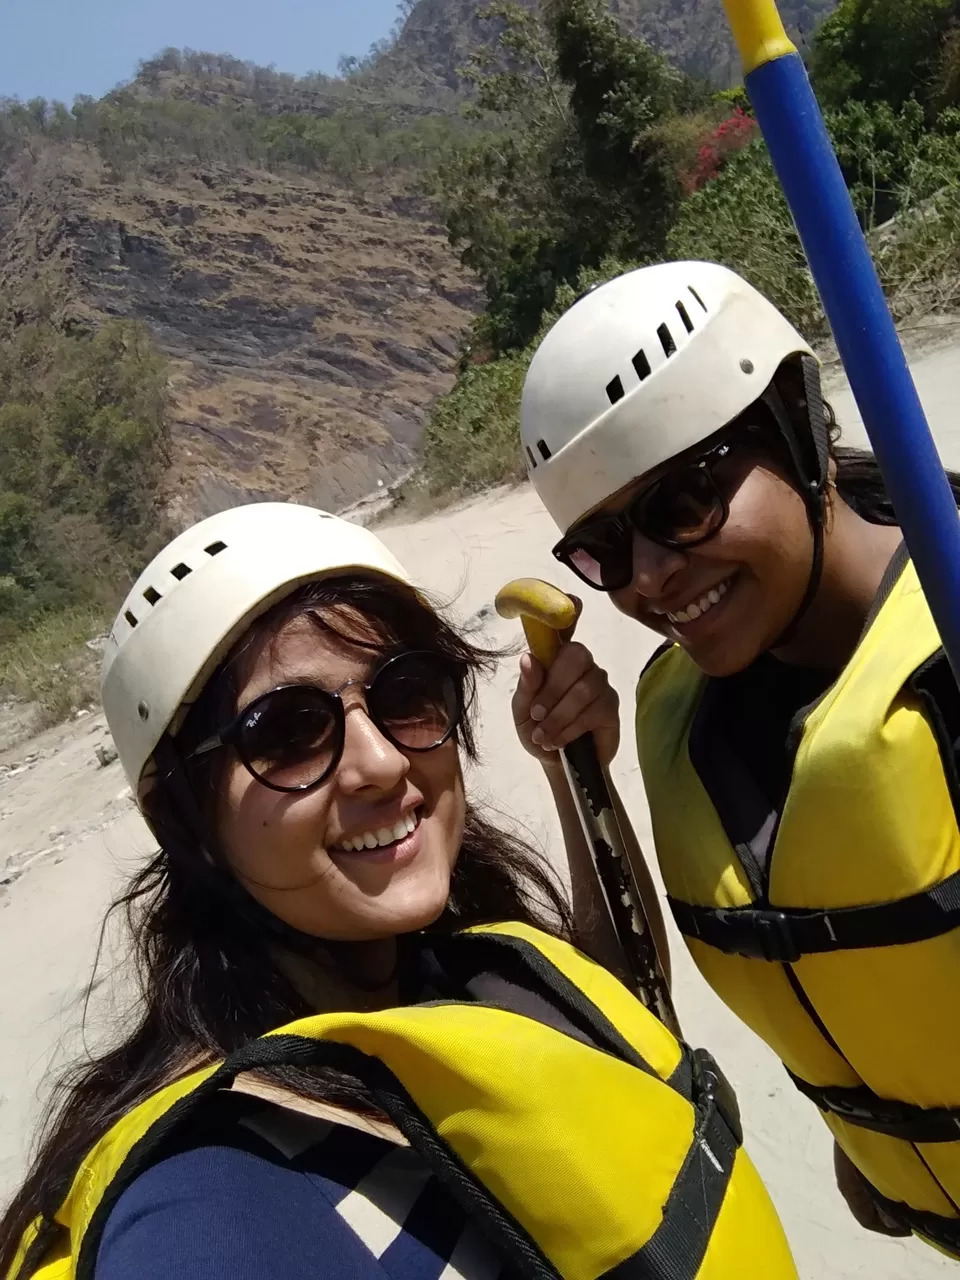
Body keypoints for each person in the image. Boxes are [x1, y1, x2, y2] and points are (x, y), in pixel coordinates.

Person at [0, 502, 798, 1280]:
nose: (380, 763)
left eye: (406, 693)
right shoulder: (214, 1182)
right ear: (184, 817)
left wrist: (571, 769)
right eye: (286, 733)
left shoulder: (427, 966)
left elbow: (613, 1010)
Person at [513, 259, 960, 1259]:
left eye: (686, 500)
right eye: (605, 547)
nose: (652, 578)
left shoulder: (948, 635)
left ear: (800, 432)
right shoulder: (694, 715)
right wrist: (576, 772)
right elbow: (630, 1017)